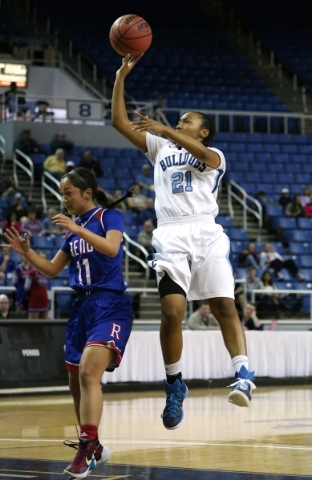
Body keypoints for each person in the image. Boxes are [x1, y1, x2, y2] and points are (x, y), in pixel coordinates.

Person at [111, 54, 256, 430]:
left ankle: (243, 374)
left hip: (205, 231)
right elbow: (118, 122)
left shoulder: (214, 155)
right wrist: (120, 77)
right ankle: (174, 384)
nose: (179, 123)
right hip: (170, 234)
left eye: (187, 121)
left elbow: (201, 155)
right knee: (172, 313)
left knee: (224, 304)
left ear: (203, 131)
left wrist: (164, 129)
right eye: (178, 121)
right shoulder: (161, 148)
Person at [2, 166, 133, 478]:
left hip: (110, 304)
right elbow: (50, 269)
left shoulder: (106, 218)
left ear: (87, 193)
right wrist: (27, 253)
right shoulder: (74, 230)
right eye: (62, 194)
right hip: (81, 308)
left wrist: (77, 229)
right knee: (76, 383)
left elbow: (112, 248)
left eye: (68, 193)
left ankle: (85, 448)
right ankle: (96, 446)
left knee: (89, 372)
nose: (64, 199)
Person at [24, 252, 50, 319]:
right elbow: (26, 287)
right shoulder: (32, 272)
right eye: (41, 258)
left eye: (45, 258)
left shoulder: (46, 272)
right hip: (34, 301)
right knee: (33, 326)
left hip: (44, 300)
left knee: (44, 326)